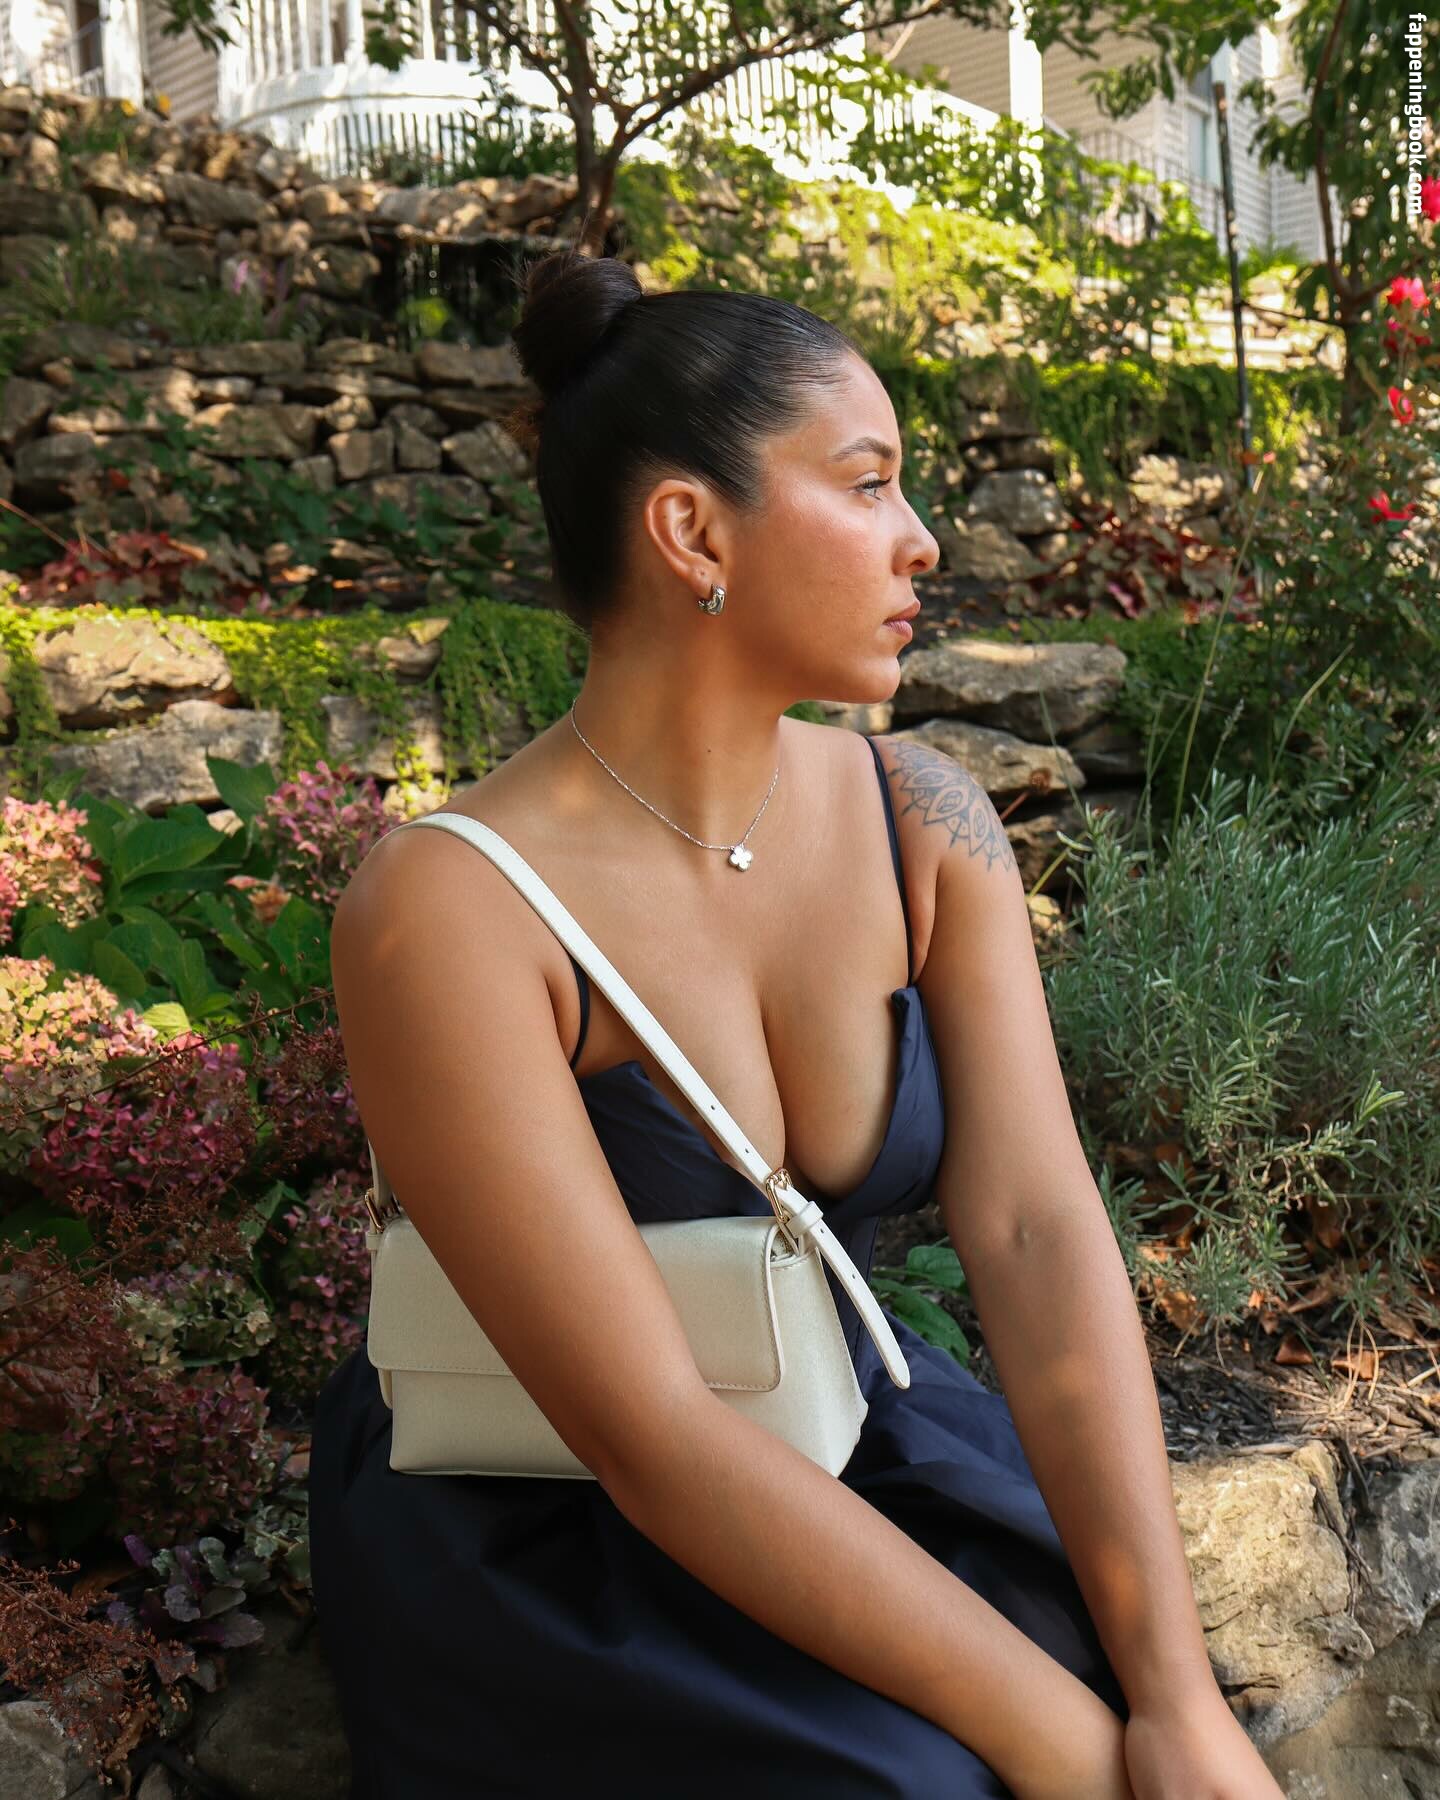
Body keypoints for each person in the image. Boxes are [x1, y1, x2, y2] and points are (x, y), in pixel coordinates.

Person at [308, 247, 1284, 1799]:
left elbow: (1035, 1232)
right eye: (870, 482)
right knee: (938, 1780)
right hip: (552, 1518)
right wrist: (1073, 1754)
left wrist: (1173, 1701)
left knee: (1129, 1686)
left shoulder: (926, 822)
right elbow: (650, 1436)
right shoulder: (446, 908)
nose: (923, 537)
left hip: (842, 1419)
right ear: (693, 532)